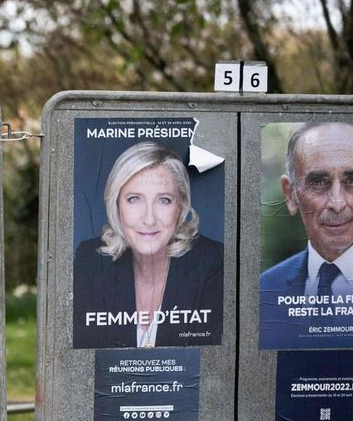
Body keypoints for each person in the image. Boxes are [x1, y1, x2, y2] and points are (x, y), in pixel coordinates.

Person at [73, 141, 223, 348]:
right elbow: (83, 360)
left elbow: (212, 363)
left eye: (164, 200)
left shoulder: (214, 262)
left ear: (180, 206)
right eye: (134, 199)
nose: (149, 219)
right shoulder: (89, 261)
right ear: (116, 205)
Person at [260, 121, 353, 347]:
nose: (337, 203)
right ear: (291, 195)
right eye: (319, 182)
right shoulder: (264, 291)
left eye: (352, 181)